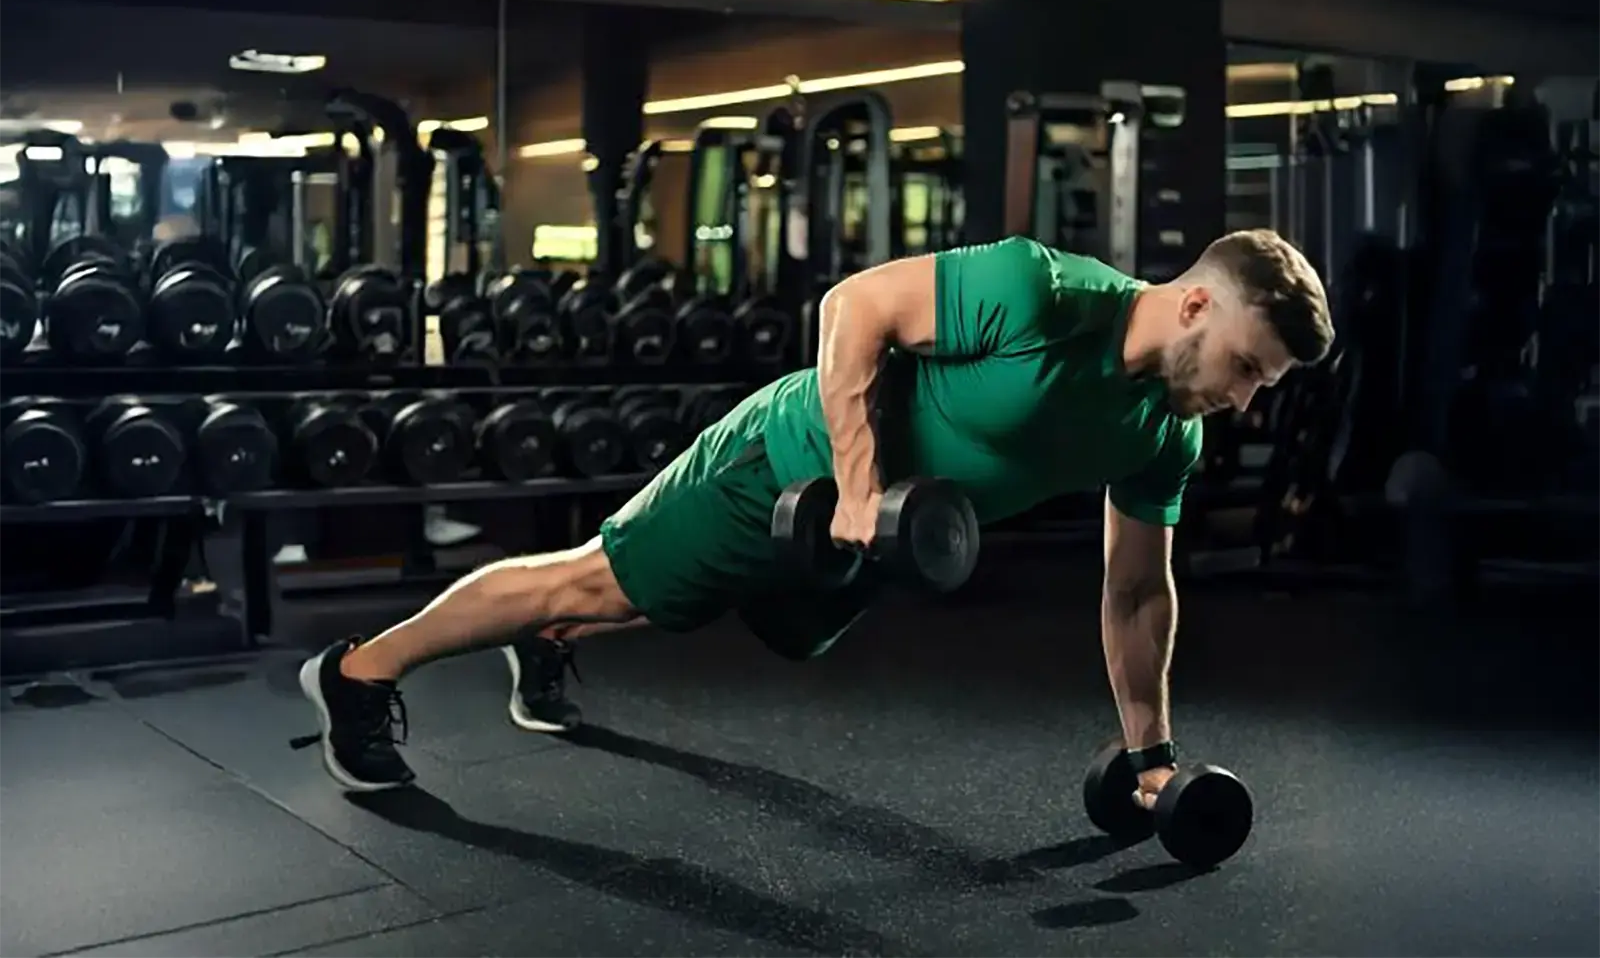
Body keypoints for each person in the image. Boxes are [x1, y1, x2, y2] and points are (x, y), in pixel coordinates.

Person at [296, 230, 1335, 803]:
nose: (1245, 398)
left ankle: (543, 640)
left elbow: (1134, 589)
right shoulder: (1041, 293)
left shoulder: (1166, 433)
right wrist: (851, 478)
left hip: (868, 536)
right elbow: (853, 306)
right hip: (783, 464)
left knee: (679, 601)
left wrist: (1149, 753)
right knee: (597, 576)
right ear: (1196, 303)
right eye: (1248, 365)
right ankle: (357, 670)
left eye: (1264, 384)